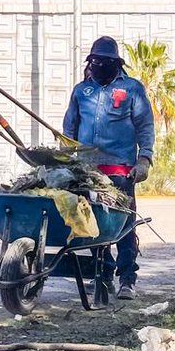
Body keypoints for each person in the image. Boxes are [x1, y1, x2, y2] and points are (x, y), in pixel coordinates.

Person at [63, 36, 154, 300]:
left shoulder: (132, 89)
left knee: (123, 226)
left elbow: (145, 126)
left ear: (116, 63)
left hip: (121, 171)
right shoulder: (82, 91)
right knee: (93, 227)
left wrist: (144, 159)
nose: (100, 65)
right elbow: (70, 126)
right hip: (87, 172)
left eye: (106, 61)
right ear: (90, 62)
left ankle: (127, 279)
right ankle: (103, 276)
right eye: (96, 61)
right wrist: (68, 157)